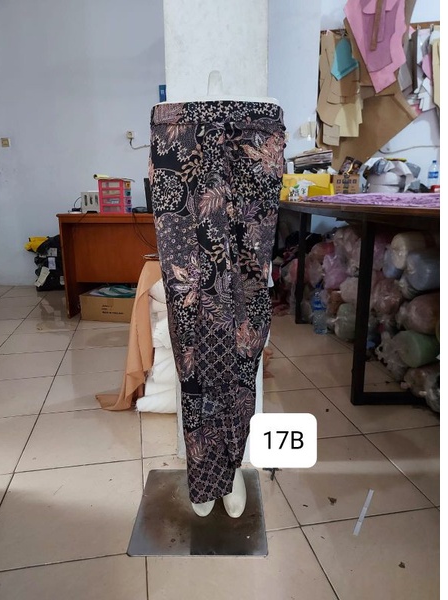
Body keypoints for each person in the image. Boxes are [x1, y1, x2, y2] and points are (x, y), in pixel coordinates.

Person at [149, 68, 285, 518]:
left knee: (245, 316)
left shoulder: (264, 118)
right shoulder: (171, 117)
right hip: (181, 138)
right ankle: (204, 472)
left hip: (253, 139)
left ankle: (231, 466)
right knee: (190, 315)